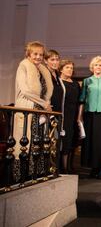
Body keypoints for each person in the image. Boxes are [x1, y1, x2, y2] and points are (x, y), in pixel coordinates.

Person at [13, 41, 53, 180]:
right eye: (35, 54)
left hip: (40, 111)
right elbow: (25, 90)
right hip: (27, 108)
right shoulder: (23, 66)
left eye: (41, 54)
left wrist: (46, 103)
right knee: (25, 144)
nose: (38, 57)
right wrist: (43, 103)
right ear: (28, 54)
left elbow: (46, 91)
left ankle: (35, 173)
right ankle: (20, 176)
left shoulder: (42, 69)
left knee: (39, 143)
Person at [59, 59, 81, 174]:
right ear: (61, 69)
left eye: (71, 68)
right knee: (64, 141)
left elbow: (79, 101)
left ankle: (69, 165)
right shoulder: (58, 82)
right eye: (67, 67)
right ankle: (63, 168)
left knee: (73, 141)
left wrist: (79, 117)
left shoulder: (76, 84)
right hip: (63, 115)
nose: (70, 70)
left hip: (74, 115)